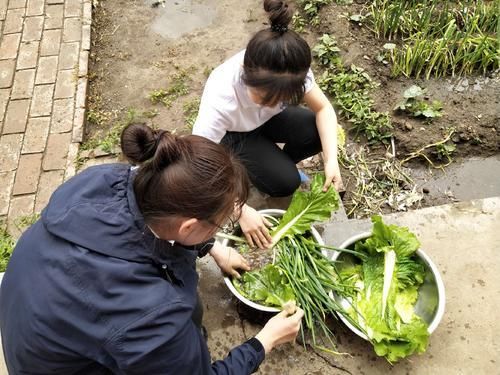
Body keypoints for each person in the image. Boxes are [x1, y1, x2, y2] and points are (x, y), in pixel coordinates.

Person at [0, 123, 304, 374]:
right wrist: (264, 341)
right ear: (189, 227)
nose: (219, 230)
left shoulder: (104, 180)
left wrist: (211, 247)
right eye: (218, 225)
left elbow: (158, 224)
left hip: (37, 328)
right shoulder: (151, 316)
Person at [193, 0, 343, 249]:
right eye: (267, 98)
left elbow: (324, 109)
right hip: (234, 134)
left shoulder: (290, 66)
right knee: (285, 183)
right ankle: (266, 169)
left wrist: (331, 161)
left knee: (315, 132)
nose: (279, 102)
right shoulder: (222, 97)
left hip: (265, 122)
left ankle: (275, 163)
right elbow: (197, 162)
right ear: (246, 77)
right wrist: (239, 210)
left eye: (286, 97)